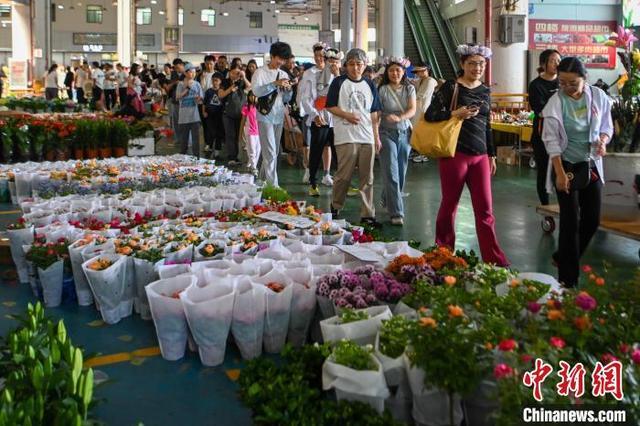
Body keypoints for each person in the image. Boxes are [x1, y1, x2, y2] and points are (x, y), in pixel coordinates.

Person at [425, 44, 509, 266]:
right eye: (472, 63)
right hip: (455, 154)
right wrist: (455, 113)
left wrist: (491, 155)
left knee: (485, 210)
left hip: (480, 156)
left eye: (481, 63)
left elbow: (487, 124)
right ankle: (443, 253)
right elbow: (430, 114)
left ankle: (494, 260)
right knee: (449, 205)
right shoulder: (451, 87)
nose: (477, 67)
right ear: (462, 64)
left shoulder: (485, 90)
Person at [541, 57, 612, 287]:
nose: (567, 88)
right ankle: (567, 281)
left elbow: (606, 127)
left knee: (592, 219)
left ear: (585, 79)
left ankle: (563, 257)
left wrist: (603, 140)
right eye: (562, 82)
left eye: (573, 83)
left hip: (590, 166)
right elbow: (551, 142)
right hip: (566, 166)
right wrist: (560, 174)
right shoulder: (555, 103)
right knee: (570, 222)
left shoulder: (598, 97)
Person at [325, 48, 382, 226]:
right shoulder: (338, 83)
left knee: (368, 178)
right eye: (351, 64)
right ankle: (335, 206)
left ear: (365, 65)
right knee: (344, 175)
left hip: (367, 137)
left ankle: (367, 214)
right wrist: (346, 115)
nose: (355, 68)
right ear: (346, 66)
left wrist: (376, 136)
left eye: (359, 64)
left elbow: (374, 113)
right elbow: (330, 106)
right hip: (346, 136)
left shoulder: (370, 84)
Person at [378, 57, 417, 226]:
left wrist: (400, 117)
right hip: (385, 133)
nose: (395, 73)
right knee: (391, 171)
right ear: (387, 72)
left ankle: (387, 196)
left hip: (404, 133)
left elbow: (412, 109)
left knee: (401, 171)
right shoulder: (382, 89)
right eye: (392, 70)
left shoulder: (409, 88)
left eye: (398, 70)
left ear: (403, 72)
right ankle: (396, 212)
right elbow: (377, 111)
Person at [300, 46, 342, 196]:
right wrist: (315, 114)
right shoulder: (309, 74)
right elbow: (305, 98)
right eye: (317, 55)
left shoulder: (338, 75)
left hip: (336, 118)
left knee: (339, 152)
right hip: (319, 117)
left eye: (324, 57)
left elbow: (343, 94)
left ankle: (343, 182)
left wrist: (338, 76)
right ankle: (313, 183)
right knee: (316, 151)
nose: (321, 59)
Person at [251, 41, 294, 186]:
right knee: (270, 152)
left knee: (274, 153)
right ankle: (273, 186)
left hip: (279, 115)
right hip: (264, 115)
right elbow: (256, 91)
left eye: (283, 59)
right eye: (279, 58)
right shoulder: (260, 72)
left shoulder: (283, 73)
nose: (281, 62)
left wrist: (288, 91)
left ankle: (261, 180)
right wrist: (274, 84)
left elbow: (286, 99)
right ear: (272, 56)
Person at [529, 49, 561, 206]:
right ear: (543, 64)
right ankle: (546, 206)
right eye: (553, 60)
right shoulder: (536, 85)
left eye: (558, 60)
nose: (557, 64)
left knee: (561, 169)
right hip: (542, 133)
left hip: (562, 134)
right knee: (543, 171)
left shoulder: (563, 82)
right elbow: (540, 110)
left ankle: (564, 203)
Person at [219, 65, 251, 165]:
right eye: (233, 73)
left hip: (240, 114)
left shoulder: (242, 82)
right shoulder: (225, 81)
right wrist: (230, 89)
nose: (235, 75)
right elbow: (220, 95)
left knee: (239, 135)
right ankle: (231, 157)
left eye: (237, 73)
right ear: (229, 72)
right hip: (227, 114)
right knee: (230, 135)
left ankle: (237, 157)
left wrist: (244, 77)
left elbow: (251, 88)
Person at [411, 62, 438, 163]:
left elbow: (420, 95)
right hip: (417, 109)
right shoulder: (421, 80)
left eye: (419, 71)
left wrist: (409, 100)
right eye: (417, 72)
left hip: (423, 109)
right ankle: (417, 150)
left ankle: (424, 154)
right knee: (416, 131)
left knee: (422, 132)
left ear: (426, 71)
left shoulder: (430, 81)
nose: (417, 74)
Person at [176, 62, 204, 158]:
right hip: (183, 117)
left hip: (195, 117)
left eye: (194, 72)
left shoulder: (197, 84)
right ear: (185, 73)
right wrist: (187, 87)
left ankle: (197, 158)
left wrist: (198, 99)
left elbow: (201, 100)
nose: (193, 74)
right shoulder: (180, 84)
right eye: (191, 72)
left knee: (196, 140)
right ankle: (182, 158)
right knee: (184, 140)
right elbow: (178, 97)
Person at [202, 72, 226, 159]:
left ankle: (217, 153)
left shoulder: (223, 91)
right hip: (209, 115)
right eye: (213, 80)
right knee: (210, 132)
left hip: (219, 116)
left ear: (220, 81)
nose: (214, 82)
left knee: (219, 134)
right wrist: (203, 112)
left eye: (216, 80)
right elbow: (204, 103)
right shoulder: (209, 91)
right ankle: (209, 146)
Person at [164, 58, 185, 136]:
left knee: (183, 120)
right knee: (175, 119)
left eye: (178, 67)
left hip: (184, 100)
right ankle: (177, 137)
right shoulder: (173, 73)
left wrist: (179, 82)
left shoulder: (187, 73)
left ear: (182, 65)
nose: (176, 69)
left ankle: (184, 137)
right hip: (174, 99)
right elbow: (171, 85)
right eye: (175, 68)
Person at [241, 91, 261, 174]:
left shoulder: (260, 107)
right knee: (252, 149)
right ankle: (254, 167)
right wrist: (241, 132)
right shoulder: (246, 107)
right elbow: (243, 121)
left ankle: (252, 163)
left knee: (258, 150)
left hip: (259, 132)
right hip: (250, 131)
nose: (252, 98)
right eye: (250, 96)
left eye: (254, 96)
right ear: (248, 97)